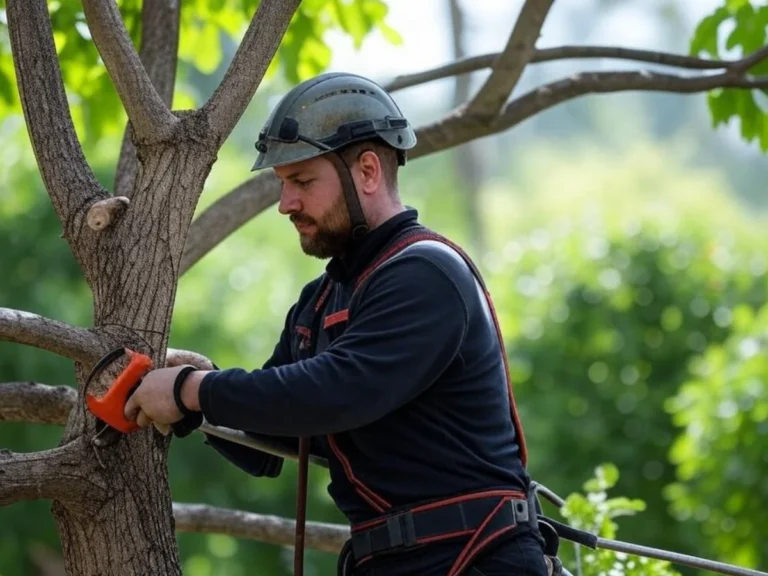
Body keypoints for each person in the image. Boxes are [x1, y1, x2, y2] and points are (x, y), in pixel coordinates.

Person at [124, 72, 551, 576]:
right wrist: (197, 395)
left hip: (476, 556)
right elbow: (276, 435)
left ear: (367, 171)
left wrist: (193, 389)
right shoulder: (322, 300)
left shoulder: (425, 274)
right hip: (392, 562)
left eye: (303, 181)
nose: (286, 204)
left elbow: (335, 391)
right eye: (283, 185)